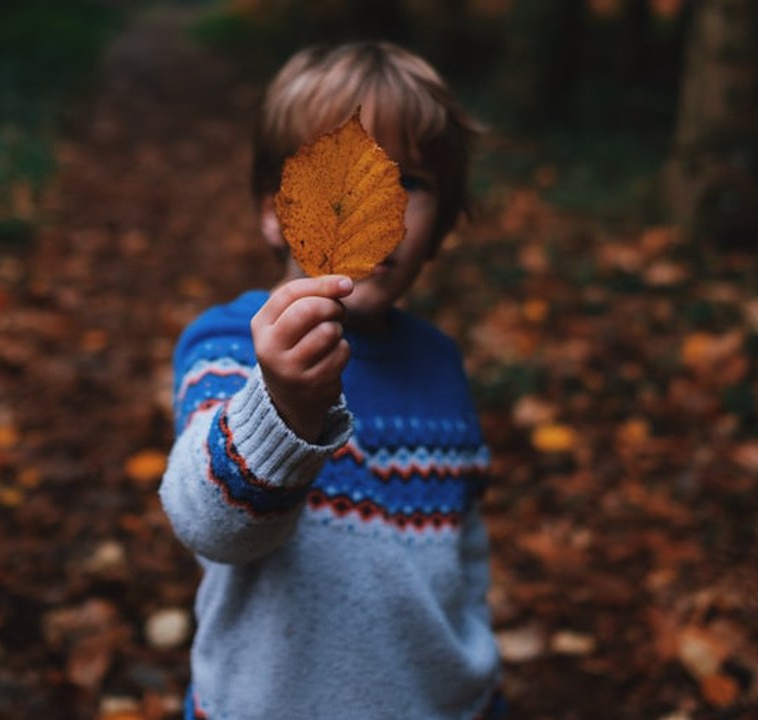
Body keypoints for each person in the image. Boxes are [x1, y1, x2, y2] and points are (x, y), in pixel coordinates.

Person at [160, 41, 503, 719]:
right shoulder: (232, 346)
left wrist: (477, 683)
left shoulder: (439, 364)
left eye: (409, 182)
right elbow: (212, 526)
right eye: (333, 176)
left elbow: (463, 560)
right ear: (274, 209)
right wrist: (282, 406)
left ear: (440, 228)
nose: (377, 205)